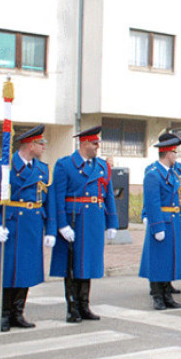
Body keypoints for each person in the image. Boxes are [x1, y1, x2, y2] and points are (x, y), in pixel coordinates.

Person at [0, 125, 56, 332]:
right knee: (7, 272)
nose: (44, 147)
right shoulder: (3, 168)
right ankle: (4, 315)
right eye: (41, 143)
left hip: (32, 226)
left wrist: (50, 230)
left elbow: (48, 203)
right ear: (31, 145)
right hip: (11, 226)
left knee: (25, 271)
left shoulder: (43, 169)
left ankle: (18, 312)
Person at [49, 126, 118, 323]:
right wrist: (61, 225)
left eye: (98, 143)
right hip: (74, 219)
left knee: (87, 264)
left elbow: (108, 196)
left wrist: (112, 222)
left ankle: (84, 304)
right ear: (84, 143)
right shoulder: (65, 165)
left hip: (94, 220)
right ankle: (72, 308)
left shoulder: (102, 166)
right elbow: (58, 196)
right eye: (95, 143)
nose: (98, 147)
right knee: (72, 265)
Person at [139, 134, 181, 310]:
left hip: (172, 220)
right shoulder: (154, 175)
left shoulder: (172, 174)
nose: (176, 156)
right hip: (161, 221)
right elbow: (152, 203)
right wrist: (156, 226)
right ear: (168, 153)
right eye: (175, 152)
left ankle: (167, 294)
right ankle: (157, 295)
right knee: (158, 260)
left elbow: (178, 198)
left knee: (169, 260)